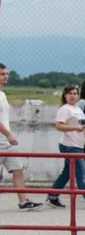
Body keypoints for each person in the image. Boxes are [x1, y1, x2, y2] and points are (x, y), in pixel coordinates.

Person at [47, 85, 85, 209]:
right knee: (81, 172)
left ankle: (53, 195)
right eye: (70, 93)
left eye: (75, 93)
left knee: (67, 173)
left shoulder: (77, 109)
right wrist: (75, 128)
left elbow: (81, 125)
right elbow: (59, 126)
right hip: (70, 145)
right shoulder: (65, 109)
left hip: (78, 144)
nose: (73, 96)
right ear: (65, 96)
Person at [0, 62, 43, 210]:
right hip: (2, 140)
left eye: (6, 74)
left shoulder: (3, 94)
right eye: (2, 74)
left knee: (17, 169)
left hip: (7, 142)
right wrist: (9, 134)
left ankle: (23, 201)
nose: (5, 77)